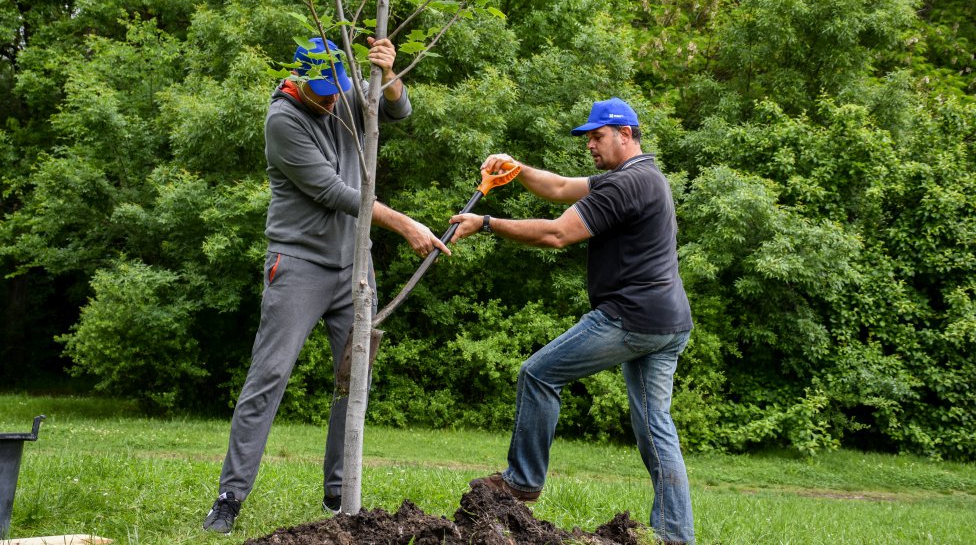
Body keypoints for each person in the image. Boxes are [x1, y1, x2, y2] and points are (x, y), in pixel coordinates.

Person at [202, 36, 450, 534]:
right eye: (323, 91)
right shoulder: (284, 120)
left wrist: (390, 72)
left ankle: (339, 492)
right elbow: (337, 192)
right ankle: (230, 498)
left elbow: (399, 111)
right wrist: (404, 224)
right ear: (298, 79)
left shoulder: (340, 88)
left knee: (355, 377)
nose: (333, 99)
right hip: (298, 264)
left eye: (337, 88)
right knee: (268, 376)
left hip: (355, 266)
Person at [450, 97, 696, 544]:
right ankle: (676, 537)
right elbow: (562, 187)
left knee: (539, 374)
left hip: (631, 317)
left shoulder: (626, 185)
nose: (591, 145)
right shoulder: (640, 177)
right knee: (656, 430)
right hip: (668, 322)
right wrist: (518, 170)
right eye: (588, 139)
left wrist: (486, 223)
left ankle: (522, 481)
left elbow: (557, 233)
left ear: (626, 134)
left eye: (598, 136)